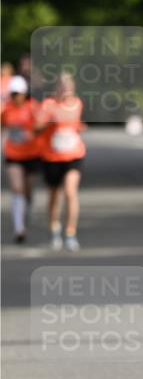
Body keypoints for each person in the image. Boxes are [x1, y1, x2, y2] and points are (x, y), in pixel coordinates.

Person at [37, 72, 86, 251]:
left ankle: (70, 233)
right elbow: (37, 128)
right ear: (57, 87)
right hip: (52, 156)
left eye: (68, 85)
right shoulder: (48, 104)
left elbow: (76, 126)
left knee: (70, 192)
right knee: (54, 196)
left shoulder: (78, 104)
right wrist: (49, 121)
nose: (65, 88)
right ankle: (54, 230)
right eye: (61, 85)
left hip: (74, 155)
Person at [1, 76, 42, 242]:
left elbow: (43, 125)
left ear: (25, 93)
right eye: (13, 93)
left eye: (18, 93)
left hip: (31, 154)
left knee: (28, 192)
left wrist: (33, 132)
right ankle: (19, 228)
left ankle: (27, 211)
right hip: (13, 155)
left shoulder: (33, 107)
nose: (16, 96)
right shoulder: (6, 109)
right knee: (17, 188)